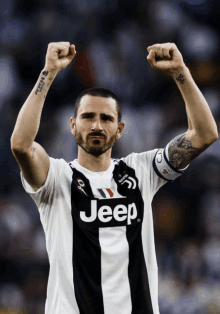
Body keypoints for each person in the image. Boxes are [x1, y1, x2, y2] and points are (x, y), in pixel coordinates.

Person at [10, 41, 218, 314]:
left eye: (106, 119)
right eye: (87, 117)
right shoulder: (56, 177)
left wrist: (180, 71)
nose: (97, 125)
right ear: (72, 126)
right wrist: (48, 72)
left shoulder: (141, 170)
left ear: (120, 129)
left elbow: (204, 135)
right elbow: (21, 145)